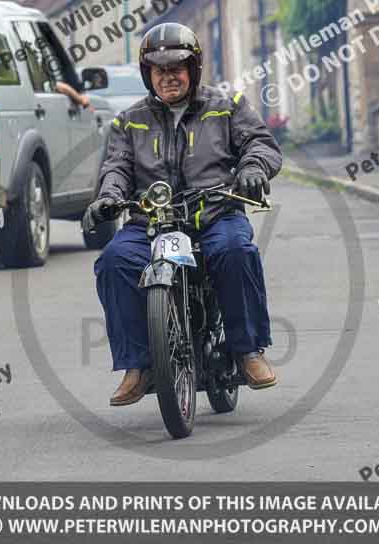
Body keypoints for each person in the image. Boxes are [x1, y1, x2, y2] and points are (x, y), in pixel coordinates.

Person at [83, 23, 282, 407]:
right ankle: (136, 366)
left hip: (215, 214)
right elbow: (117, 168)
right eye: (159, 70)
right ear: (148, 75)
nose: (168, 77)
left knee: (235, 250)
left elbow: (260, 142)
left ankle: (247, 351)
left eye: (176, 68)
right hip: (152, 222)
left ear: (193, 69)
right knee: (113, 261)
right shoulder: (130, 121)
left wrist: (253, 168)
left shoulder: (227, 107)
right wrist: (107, 198)